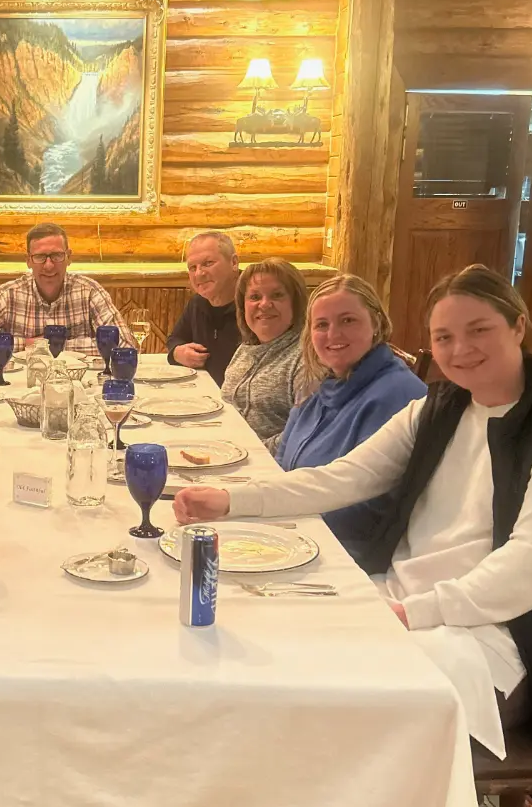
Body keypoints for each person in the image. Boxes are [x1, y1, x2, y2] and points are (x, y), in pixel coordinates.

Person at [175, 264, 532, 753]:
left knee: (338, 705)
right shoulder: (436, 408)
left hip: (494, 638)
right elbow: (343, 477)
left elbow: (529, 567)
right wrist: (232, 500)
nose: (459, 349)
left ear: (518, 325)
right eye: (443, 336)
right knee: (262, 644)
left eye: (479, 330)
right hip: (398, 595)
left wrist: (412, 613)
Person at [276, 274, 426, 560]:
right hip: (299, 531)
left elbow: (370, 506)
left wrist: (281, 516)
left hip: (345, 553)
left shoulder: (396, 395)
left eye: (348, 320)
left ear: (377, 324)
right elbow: (282, 461)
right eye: (322, 325)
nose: (333, 335)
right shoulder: (322, 384)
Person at [0, 223, 133, 354]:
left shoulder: (89, 291)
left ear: (69, 257)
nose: (48, 265)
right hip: (22, 386)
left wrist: (54, 346)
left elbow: (126, 344)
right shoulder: (9, 294)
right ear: (28, 260)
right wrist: (28, 344)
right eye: (40, 257)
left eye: (56, 255)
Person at [221, 259, 310, 452]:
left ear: (297, 303)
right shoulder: (246, 348)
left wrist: (250, 452)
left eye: (277, 295)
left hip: (270, 468)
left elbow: (303, 434)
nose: (264, 304)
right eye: (254, 297)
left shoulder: (306, 358)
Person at [166, 231, 241, 385]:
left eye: (208, 263)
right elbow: (175, 339)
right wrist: (178, 352)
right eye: (192, 268)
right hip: (207, 394)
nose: (199, 274)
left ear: (234, 263)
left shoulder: (255, 303)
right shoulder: (198, 302)